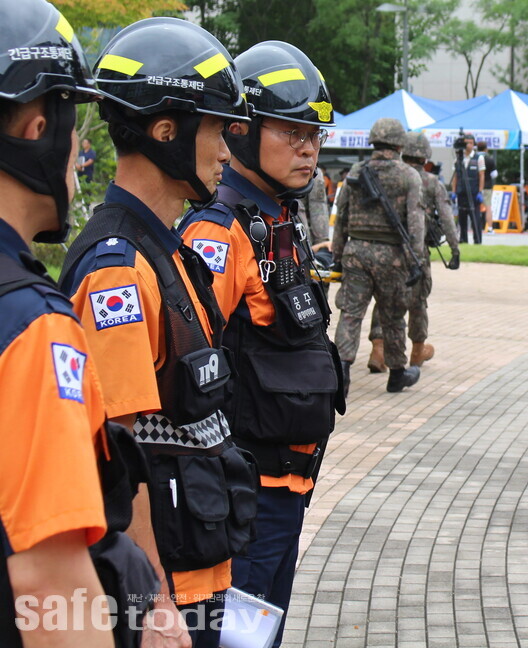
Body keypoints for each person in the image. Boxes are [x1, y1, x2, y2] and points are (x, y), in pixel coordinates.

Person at [59, 18, 259, 648]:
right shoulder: (120, 271)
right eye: (218, 129)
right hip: (171, 590)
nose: (228, 149)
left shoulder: (166, 250)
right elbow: (121, 452)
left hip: (202, 565)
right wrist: (152, 604)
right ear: (166, 130)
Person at [0, 2, 159, 646]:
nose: (80, 155)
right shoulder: (29, 325)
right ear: (40, 128)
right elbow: (52, 587)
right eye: (75, 129)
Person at [179, 41, 344, 648]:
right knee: (237, 642)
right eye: (293, 131)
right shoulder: (218, 232)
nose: (309, 147)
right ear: (243, 132)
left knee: (259, 639)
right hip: (245, 503)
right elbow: (185, 375)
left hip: (287, 496)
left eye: (316, 134)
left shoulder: (280, 219)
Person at [333, 117, 424, 393]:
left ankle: (342, 373)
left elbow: (341, 217)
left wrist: (337, 255)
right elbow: (416, 222)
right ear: (399, 144)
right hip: (392, 256)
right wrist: (415, 259)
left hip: (356, 252)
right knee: (393, 316)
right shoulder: (409, 175)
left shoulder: (356, 172)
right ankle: (397, 373)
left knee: (350, 314)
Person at [366, 132, 461, 372]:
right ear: (425, 157)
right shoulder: (431, 182)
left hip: (386, 248)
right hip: (417, 252)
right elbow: (447, 218)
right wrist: (454, 248)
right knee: (418, 300)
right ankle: (418, 349)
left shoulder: (387, 175)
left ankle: (378, 348)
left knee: (384, 297)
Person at [450, 132, 484, 244]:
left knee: (475, 218)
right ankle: (463, 239)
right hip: (462, 192)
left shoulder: (478, 158)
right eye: (466, 143)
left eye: (470, 143)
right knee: (462, 218)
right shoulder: (458, 159)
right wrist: (454, 191)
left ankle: (477, 240)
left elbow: (481, 175)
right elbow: (456, 176)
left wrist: (480, 191)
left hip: (474, 193)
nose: (468, 145)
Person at [477, 140, 498, 233]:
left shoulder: (475, 157)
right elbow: (494, 174)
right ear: (486, 149)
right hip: (487, 186)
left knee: (475, 207)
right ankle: (490, 228)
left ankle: (476, 227)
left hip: (476, 186)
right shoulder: (490, 159)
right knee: (488, 207)